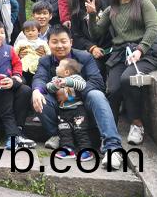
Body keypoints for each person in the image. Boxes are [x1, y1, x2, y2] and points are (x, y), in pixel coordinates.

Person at [32, 25, 124, 170]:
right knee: (38, 95)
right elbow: (40, 78)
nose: (59, 45)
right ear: (48, 43)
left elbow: (97, 82)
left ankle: (112, 147)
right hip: (60, 107)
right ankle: (58, 136)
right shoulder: (45, 61)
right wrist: (37, 90)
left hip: (83, 105)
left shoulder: (84, 57)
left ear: (71, 42)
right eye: (54, 42)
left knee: (96, 94)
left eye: (63, 41)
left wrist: (72, 92)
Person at [88, 0, 157, 146]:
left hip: (146, 51)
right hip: (121, 53)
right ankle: (109, 132)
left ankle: (137, 123)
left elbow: (153, 29)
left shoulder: (144, 3)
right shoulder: (111, 9)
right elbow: (96, 33)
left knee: (128, 79)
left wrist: (140, 50)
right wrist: (92, 14)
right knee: (113, 89)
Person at [46, 58, 93, 161]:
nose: (56, 67)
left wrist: (67, 81)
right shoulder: (55, 79)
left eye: (59, 66)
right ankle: (67, 149)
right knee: (64, 131)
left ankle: (86, 150)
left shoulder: (76, 78)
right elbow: (48, 87)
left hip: (78, 110)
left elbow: (82, 85)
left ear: (66, 72)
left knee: (80, 130)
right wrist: (55, 85)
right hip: (63, 111)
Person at [69, 0, 112, 79]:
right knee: (95, 75)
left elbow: (123, 4)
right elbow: (77, 35)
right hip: (94, 51)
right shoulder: (76, 9)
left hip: (113, 48)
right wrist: (92, 48)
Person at [14, 20, 51, 86]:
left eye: (33, 30)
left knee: (35, 83)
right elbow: (14, 54)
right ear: (24, 33)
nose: (30, 33)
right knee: (24, 84)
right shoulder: (21, 42)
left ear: (39, 31)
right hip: (23, 68)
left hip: (37, 68)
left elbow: (49, 54)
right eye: (27, 31)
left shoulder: (43, 43)